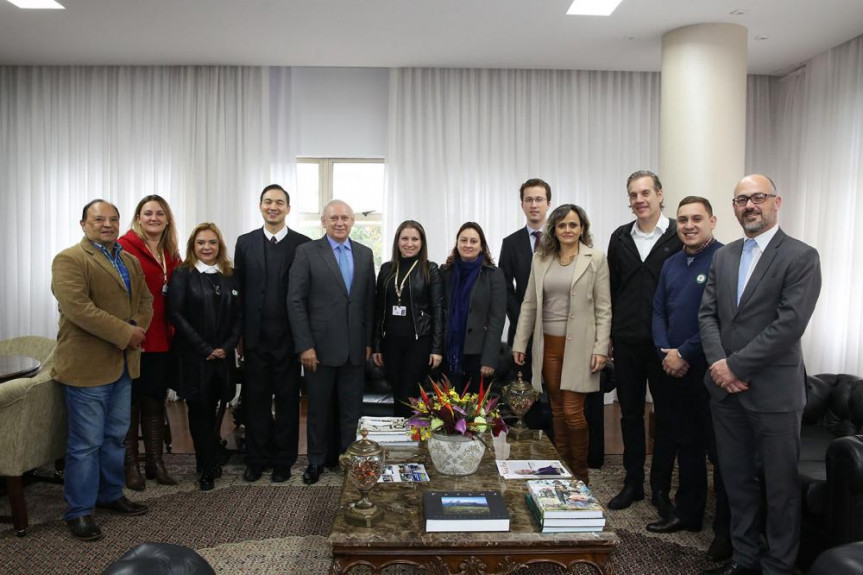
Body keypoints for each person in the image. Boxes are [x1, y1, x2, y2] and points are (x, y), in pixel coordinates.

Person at [699, 175, 821, 575]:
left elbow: (789, 324)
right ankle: (745, 558)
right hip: (726, 394)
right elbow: (708, 316)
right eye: (741, 200)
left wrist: (735, 365)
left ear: (776, 202)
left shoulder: (801, 256)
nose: (749, 205)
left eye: (758, 197)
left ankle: (779, 567)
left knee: (781, 489)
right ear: (733, 208)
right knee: (736, 483)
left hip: (774, 394)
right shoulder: (723, 256)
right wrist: (721, 368)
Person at [51, 200, 153, 541]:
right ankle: (79, 512)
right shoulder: (70, 259)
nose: (106, 224)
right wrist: (128, 334)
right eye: (98, 219)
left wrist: (138, 326)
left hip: (123, 365)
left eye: (112, 219)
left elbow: (146, 301)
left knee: (114, 438)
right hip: (86, 367)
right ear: (83, 224)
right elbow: (78, 309)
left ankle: (110, 495)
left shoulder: (129, 259)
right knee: (85, 443)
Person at [647, 197, 732, 563]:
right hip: (674, 366)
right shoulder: (671, 263)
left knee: (723, 453)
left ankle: (726, 532)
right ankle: (689, 513)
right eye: (683, 219)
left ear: (712, 220)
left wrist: (684, 352)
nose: (689, 225)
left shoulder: (727, 258)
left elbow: (721, 317)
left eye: (697, 218)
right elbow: (659, 309)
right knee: (687, 444)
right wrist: (667, 349)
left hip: (711, 369)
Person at [512, 204, 611, 484]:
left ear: (582, 228)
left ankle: (580, 474)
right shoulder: (541, 259)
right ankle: (563, 470)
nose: (568, 230)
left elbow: (604, 308)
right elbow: (529, 303)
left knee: (573, 412)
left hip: (580, 346)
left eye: (573, 225)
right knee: (556, 409)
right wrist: (520, 342)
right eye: (562, 225)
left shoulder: (596, 258)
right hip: (549, 346)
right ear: (554, 229)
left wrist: (601, 348)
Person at [606, 170, 682, 517]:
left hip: (665, 345)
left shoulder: (677, 236)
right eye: (633, 194)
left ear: (660, 195)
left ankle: (661, 489)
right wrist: (607, 336)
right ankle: (632, 482)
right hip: (626, 341)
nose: (639, 200)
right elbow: (612, 290)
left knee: (666, 417)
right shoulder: (620, 237)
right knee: (630, 415)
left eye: (645, 193)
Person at [288, 199, 375, 485]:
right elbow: (296, 301)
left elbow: (368, 304)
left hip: (354, 349)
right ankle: (315, 462)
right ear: (323, 222)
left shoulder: (365, 254)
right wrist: (305, 345)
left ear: (353, 222)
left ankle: (347, 459)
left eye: (345, 218)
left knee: (352, 411)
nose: (340, 223)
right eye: (334, 218)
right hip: (318, 350)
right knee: (318, 410)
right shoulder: (307, 252)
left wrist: (368, 342)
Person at [234, 184, 311, 483]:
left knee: (290, 404)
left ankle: (283, 462)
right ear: (260, 206)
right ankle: (256, 459)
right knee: (255, 403)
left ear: (288, 208)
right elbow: (239, 291)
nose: (273, 207)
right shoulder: (245, 243)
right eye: (268, 202)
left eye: (279, 202)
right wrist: (239, 334)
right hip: (254, 339)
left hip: (290, 341)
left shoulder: (303, 245)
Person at [169, 223, 242, 491]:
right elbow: (176, 314)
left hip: (223, 357)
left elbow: (239, 317)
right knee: (199, 411)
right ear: (193, 246)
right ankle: (207, 465)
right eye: (201, 243)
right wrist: (204, 348)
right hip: (194, 357)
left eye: (212, 242)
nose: (207, 247)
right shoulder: (182, 274)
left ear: (219, 246)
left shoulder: (230, 275)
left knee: (217, 409)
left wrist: (227, 346)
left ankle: (210, 456)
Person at [117, 194, 181, 490]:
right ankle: (131, 466)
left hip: (163, 339)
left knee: (155, 400)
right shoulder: (124, 246)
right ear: (138, 217)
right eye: (148, 213)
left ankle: (155, 462)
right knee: (131, 403)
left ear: (167, 219)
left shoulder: (171, 252)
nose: (154, 218)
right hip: (135, 338)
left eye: (159, 213)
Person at [372, 220, 445, 417]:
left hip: (419, 342)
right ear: (397, 241)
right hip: (391, 343)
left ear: (422, 243)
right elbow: (379, 310)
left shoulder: (430, 269)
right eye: (404, 238)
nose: (409, 243)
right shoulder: (387, 269)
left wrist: (436, 349)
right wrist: (377, 345)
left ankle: (409, 440)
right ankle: (401, 439)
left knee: (408, 393)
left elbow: (438, 310)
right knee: (398, 393)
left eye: (415, 239)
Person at [499, 178, 553, 434]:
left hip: (556, 328)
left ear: (548, 203)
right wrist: (523, 319)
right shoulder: (511, 243)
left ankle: (554, 443)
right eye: (529, 200)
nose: (534, 205)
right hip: (523, 330)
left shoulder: (562, 238)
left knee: (553, 389)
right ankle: (528, 444)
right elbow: (505, 288)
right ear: (522, 205)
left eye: (539, 199)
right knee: (525, 390)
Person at [440, 222, 507, 395]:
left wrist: (489, 360)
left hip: (478, 356)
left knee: (475, 414)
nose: (468, 245)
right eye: (463, 240)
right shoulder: (445, 272)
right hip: (449, 353)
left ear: (482, 246)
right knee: (448, 413)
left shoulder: (494, 275)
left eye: (473, 241)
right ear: (457, 244)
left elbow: (497, 319)